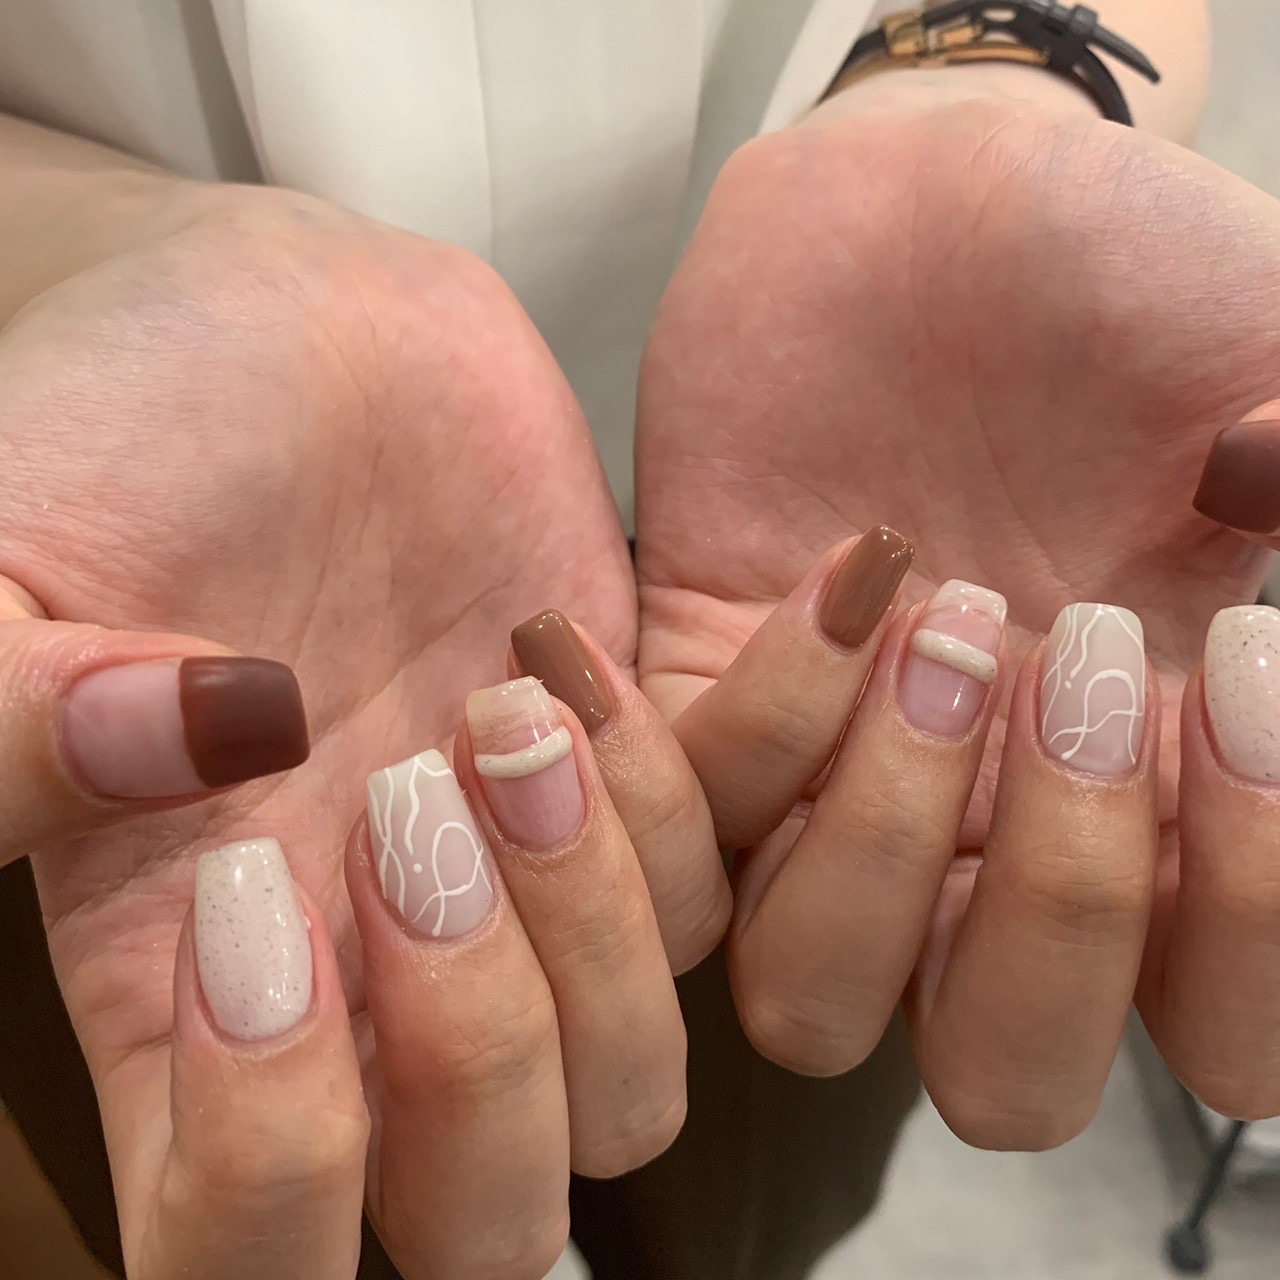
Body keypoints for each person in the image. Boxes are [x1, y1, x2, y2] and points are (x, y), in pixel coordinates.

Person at [1, 1, 1278, 1277]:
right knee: (305, 1175)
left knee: (747, 1204)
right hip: (186, 623)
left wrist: (983, 87)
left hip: (866, 605)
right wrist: (96, 239)